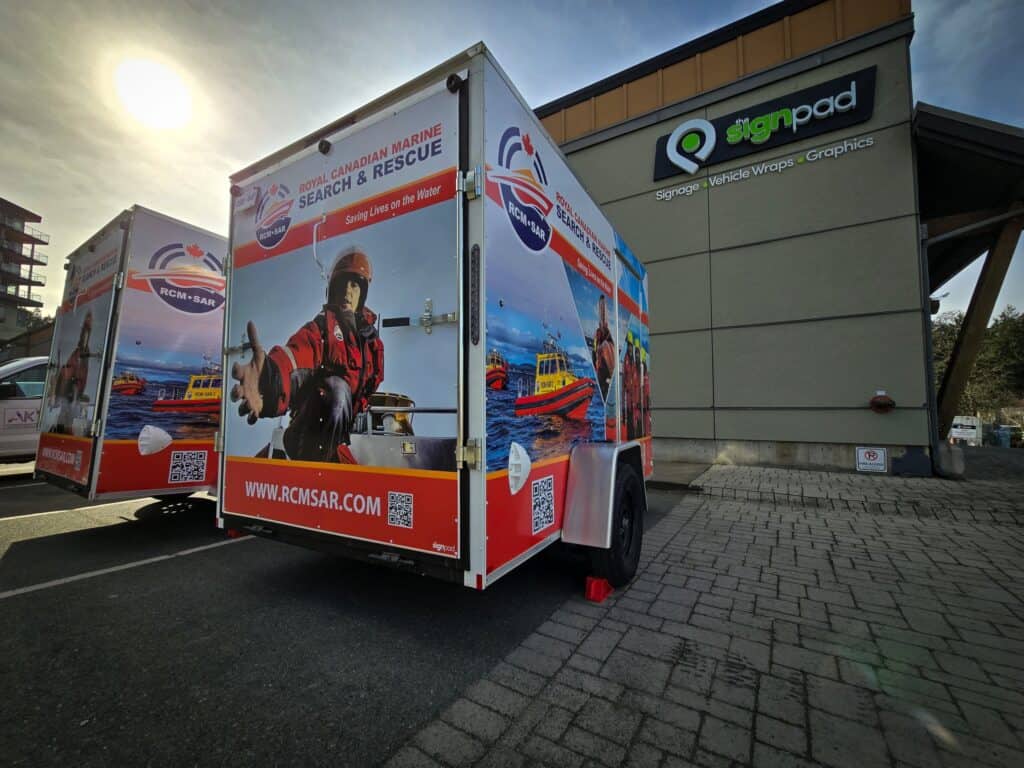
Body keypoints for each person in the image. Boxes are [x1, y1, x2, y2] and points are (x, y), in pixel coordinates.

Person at [230, 246, 384, 463]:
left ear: (363, 293)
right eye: (342, 284)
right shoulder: (322, 328)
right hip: (307, 437)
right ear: (333, 289)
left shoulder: (372, 343)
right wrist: (269, 376)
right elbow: (295, 357)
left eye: (354, 285)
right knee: (338, 390)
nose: (347, 291)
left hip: (337, 438)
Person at [51, 311, 93, 433]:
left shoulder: (80, 355)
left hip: (72, 394)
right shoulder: (76, 355)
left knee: (69, 413)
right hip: (67, 394)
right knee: (66, 413)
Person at [592, 295, 615, 400]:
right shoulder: (598, 337)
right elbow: (594, 354)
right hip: (600, 375)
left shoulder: (608, 343)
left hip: (605, 378)